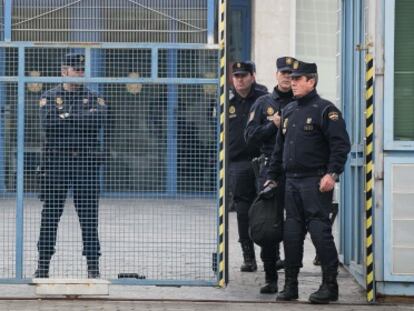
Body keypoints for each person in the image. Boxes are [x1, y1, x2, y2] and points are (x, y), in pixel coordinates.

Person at [266, 60, 350, 303]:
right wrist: (271, 177)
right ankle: (290, 285)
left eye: (297, 79)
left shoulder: (325, 110)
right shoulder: (290, 111)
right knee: (291, 234)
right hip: (290, 182)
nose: (292, 83)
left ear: (311, 81)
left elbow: (340, 145)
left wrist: (332, 174)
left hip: (315, 182)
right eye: (291, 79)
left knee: (320, 233)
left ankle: (329, 286)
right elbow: (279, 149)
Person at [35, 53, 107, 278]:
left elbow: (98, 121)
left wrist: (66, 117)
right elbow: (49, 124)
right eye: (76, 69)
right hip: (57, 161)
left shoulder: (94, 97)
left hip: (85, 162)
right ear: (64, 71)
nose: (80, 73)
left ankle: (93, 268)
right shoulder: (49, 96)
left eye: (82, 69)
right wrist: (81, 118)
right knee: (50, 214)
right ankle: (43, 266)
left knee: (88, 215)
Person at [245, 56, 296, 294]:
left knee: (295, 224)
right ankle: (270, 277)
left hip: (296, 170)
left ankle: (291, 279)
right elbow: (250, 136)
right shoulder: (263, 103)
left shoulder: (303, 102)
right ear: (276, 75)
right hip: (269, 170)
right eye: (283, 73)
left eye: (291, 74)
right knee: (268, 223)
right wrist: (272, 125)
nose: (287, 77)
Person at [228, 61, 268, 272]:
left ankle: (271, 256)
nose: (240, 79)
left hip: (262, 161)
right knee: (243, 211)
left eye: (244, 75)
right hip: (238, 163)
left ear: (253, 76)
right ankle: (248, 257)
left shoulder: (263, 98)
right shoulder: (227, 100)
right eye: (236, 76)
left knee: (267, 210)